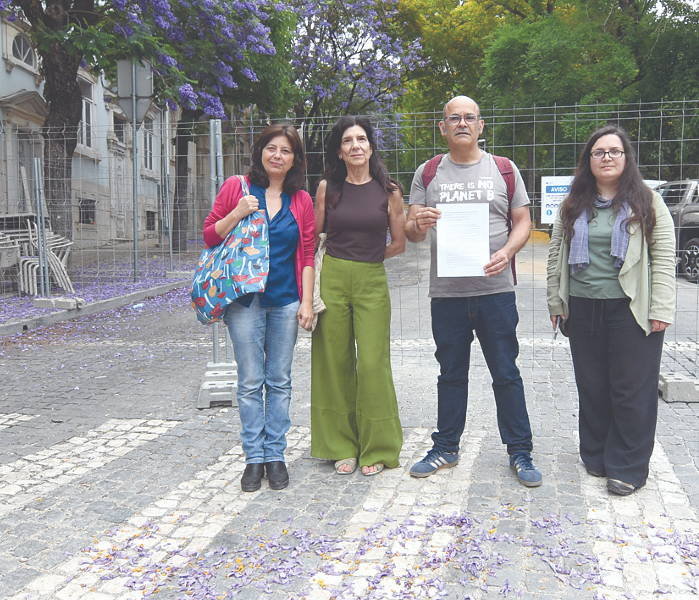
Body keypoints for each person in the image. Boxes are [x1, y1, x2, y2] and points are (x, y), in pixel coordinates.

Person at [404, 95, 542, 488]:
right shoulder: (428, 172)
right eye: (454, 118)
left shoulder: (504, 169)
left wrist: (507, 252)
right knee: (451, 374)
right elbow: (412, 232)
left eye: (470, 117)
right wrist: (419, 223)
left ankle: (520, 451)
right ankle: (446, 446)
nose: (462, 123)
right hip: (447, 295)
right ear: (442, 127)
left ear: (481, 126)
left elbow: (523, 221)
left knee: (506, 372)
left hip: (495, 292)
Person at [545, 125, 675, 497]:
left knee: (631, 387)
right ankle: (597, 454)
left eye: (614, 151)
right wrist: (555, 300)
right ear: (589, 160)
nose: (606, 158)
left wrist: (661, 306)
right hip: (583, 305)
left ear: (626, 157)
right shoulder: (573, 203)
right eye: (599, 152)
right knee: (592, 385)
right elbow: (556, 254)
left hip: (631, 307)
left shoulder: (647, 201)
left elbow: (664, 258)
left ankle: (628, 467)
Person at [202, 123, 316, 493]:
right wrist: (237, 212)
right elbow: (209, 235)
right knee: (250, 382)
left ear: (295, 159)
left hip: (285, 301)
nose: (277, 156)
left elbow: (308, 253)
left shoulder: (301, 200)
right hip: (244, 303)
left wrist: (306, 302)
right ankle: (254, 458)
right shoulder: (237, 187)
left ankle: (275, 455)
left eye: (286, 150)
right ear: (260, 151)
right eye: (271, 148)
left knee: (279, 381)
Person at [310, 116, 407, 477]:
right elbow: (314, 237)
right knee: (333, 362)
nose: (355, 146)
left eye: (361, 139)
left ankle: (378, 447)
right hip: (332, 278)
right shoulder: (327, 188)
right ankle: (340, 446)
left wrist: (367, 257)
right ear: (339, 151)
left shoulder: (390, 191)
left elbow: (399, 244)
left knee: (371, 364)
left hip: (371, 280)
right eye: (348, 140)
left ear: (370, 147)